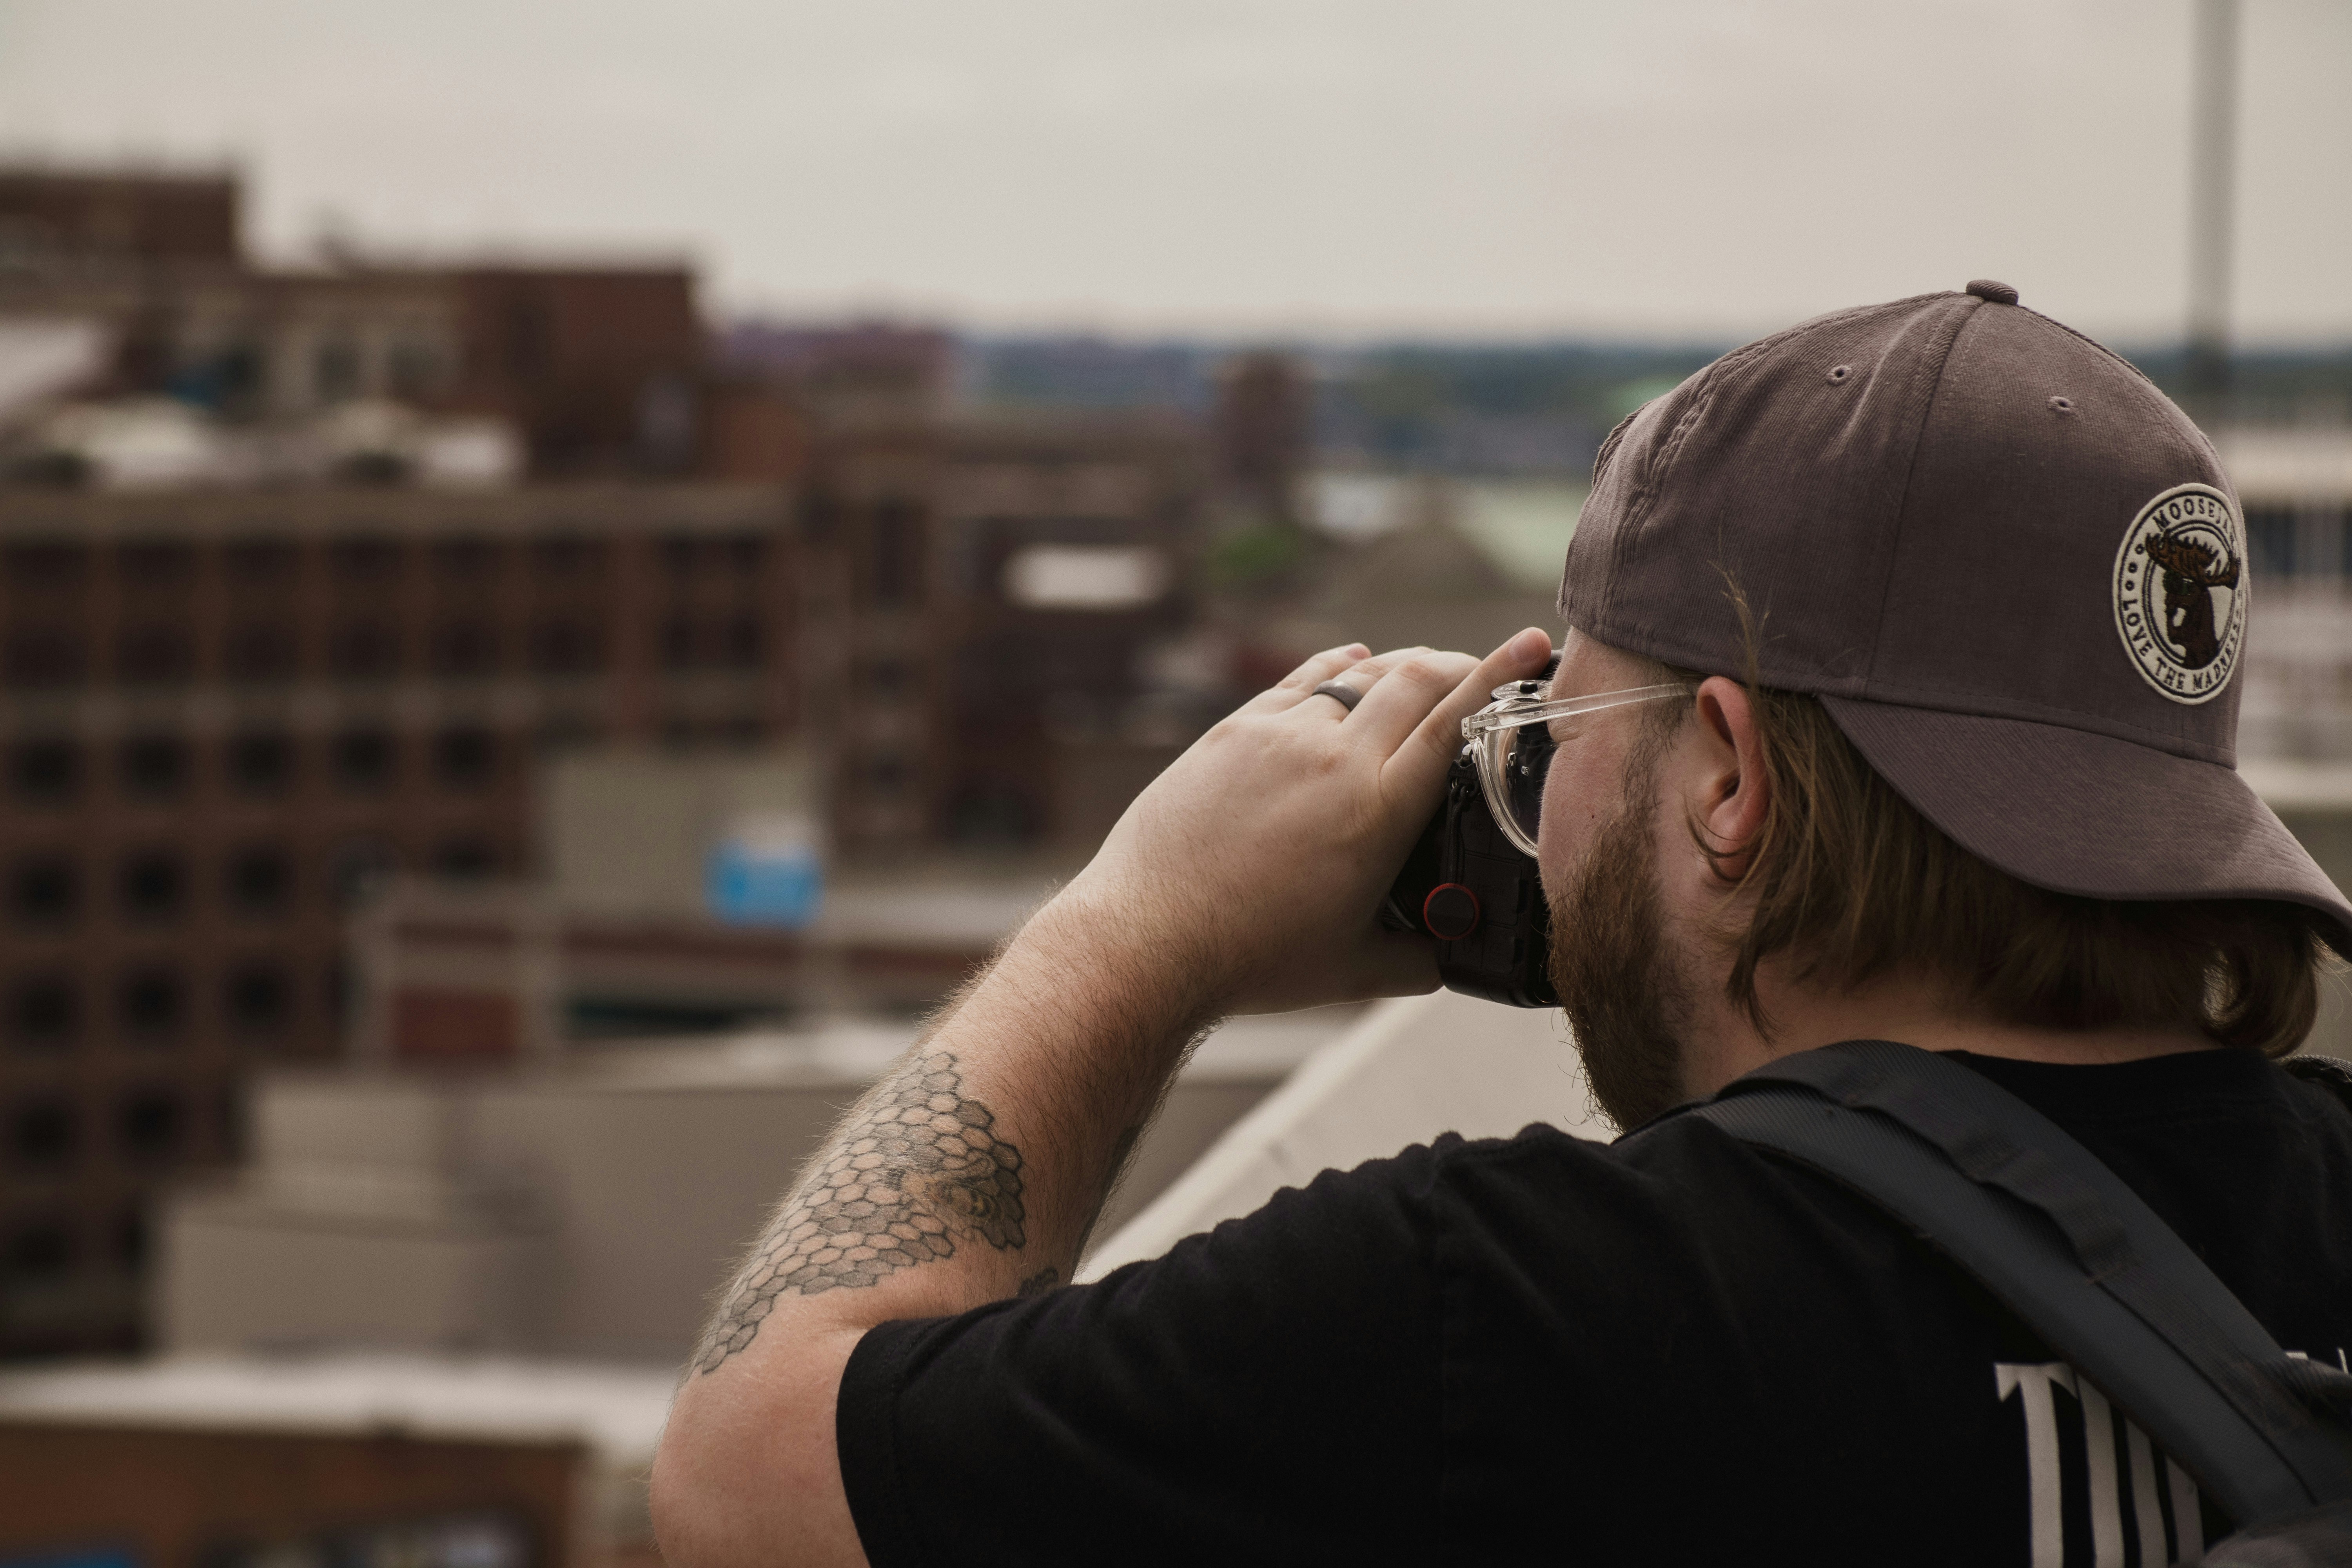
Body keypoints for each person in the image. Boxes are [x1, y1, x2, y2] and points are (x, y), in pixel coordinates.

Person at [651, 283, 2352, 1567]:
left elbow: (745, 1487)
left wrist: (1142, 926)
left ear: (1729, 779)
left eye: (1564, 734)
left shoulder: (1510, 1312)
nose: (1539, 803)